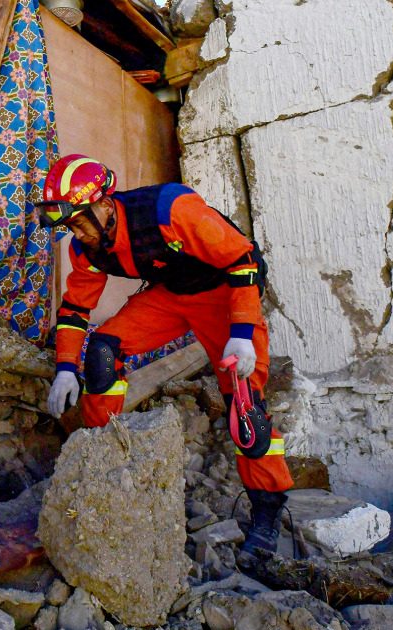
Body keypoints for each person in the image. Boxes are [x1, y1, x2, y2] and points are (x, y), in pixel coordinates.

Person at [38, 154, 293, 554]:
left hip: (225, 294)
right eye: (68, 227)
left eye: (78, 222)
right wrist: (66, 368)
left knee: (245, 408)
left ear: (104, 204)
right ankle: (100, 459)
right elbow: (74, 310)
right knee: (103, 352)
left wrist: (241, 331)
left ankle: (267, 507)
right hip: (171, 298)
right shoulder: (87, 248)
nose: (77, 234)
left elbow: (242, 258)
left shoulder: (169, 210)